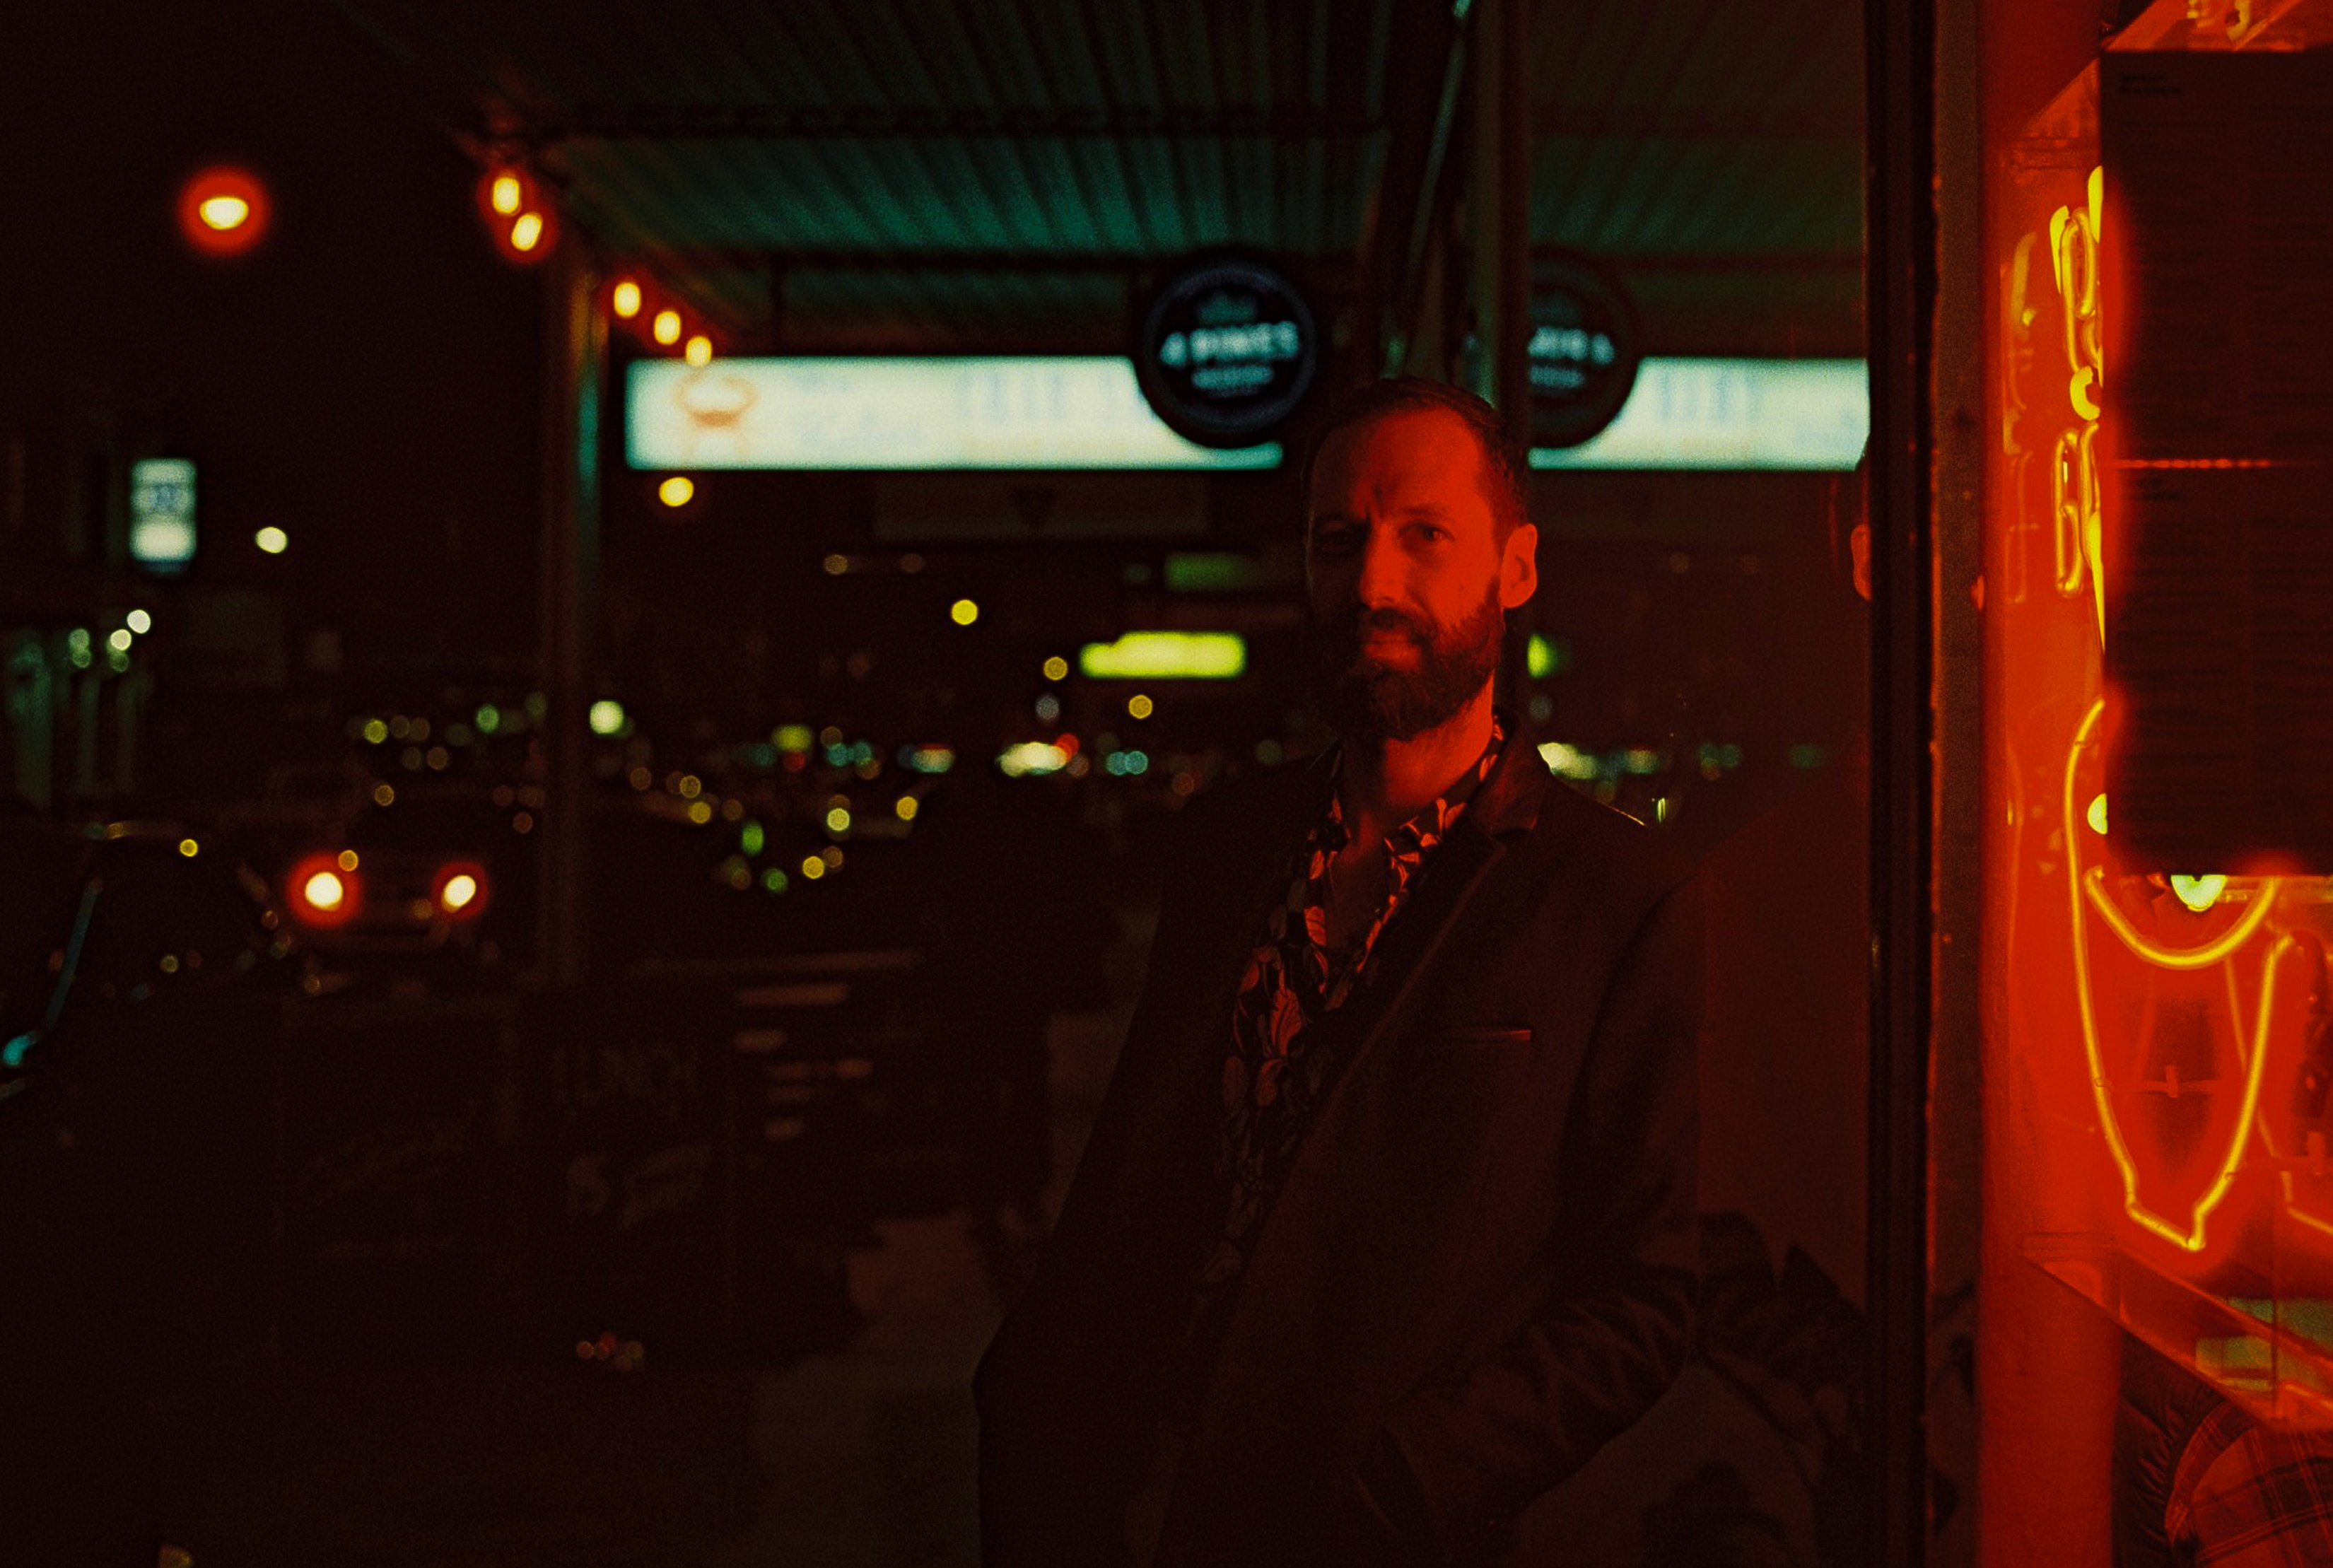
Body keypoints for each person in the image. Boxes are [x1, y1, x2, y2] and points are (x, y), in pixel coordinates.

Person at [973, 378, 1703, 1567]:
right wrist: (1032, 1391)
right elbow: (1140, 1172)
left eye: (1425, 535)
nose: (1371, 582)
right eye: (1337, 540)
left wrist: (1410, 1481)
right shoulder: (1229, 845)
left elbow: (1645, 1299)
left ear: (1517, 566)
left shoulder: (1613, 897)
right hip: (1130, 1493)